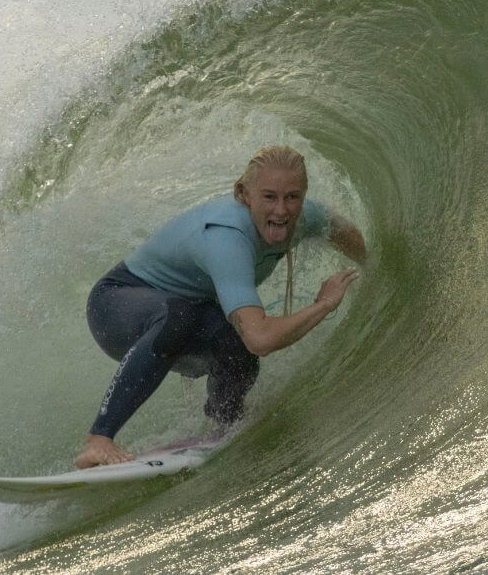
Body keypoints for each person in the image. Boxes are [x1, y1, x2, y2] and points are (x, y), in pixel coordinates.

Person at [75, 145, 366, 469]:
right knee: (188, 318)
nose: (282, 210)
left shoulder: (305, 216)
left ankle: (222, 429)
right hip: (116, 308)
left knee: (235, 344)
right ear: (245, 195)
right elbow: (262, 338)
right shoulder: (227, 238)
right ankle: (99, 439)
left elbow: (342, 230)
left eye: (292, 197)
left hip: (179, 313)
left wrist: (374, 269)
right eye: (269, 197)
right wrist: (324, 304)